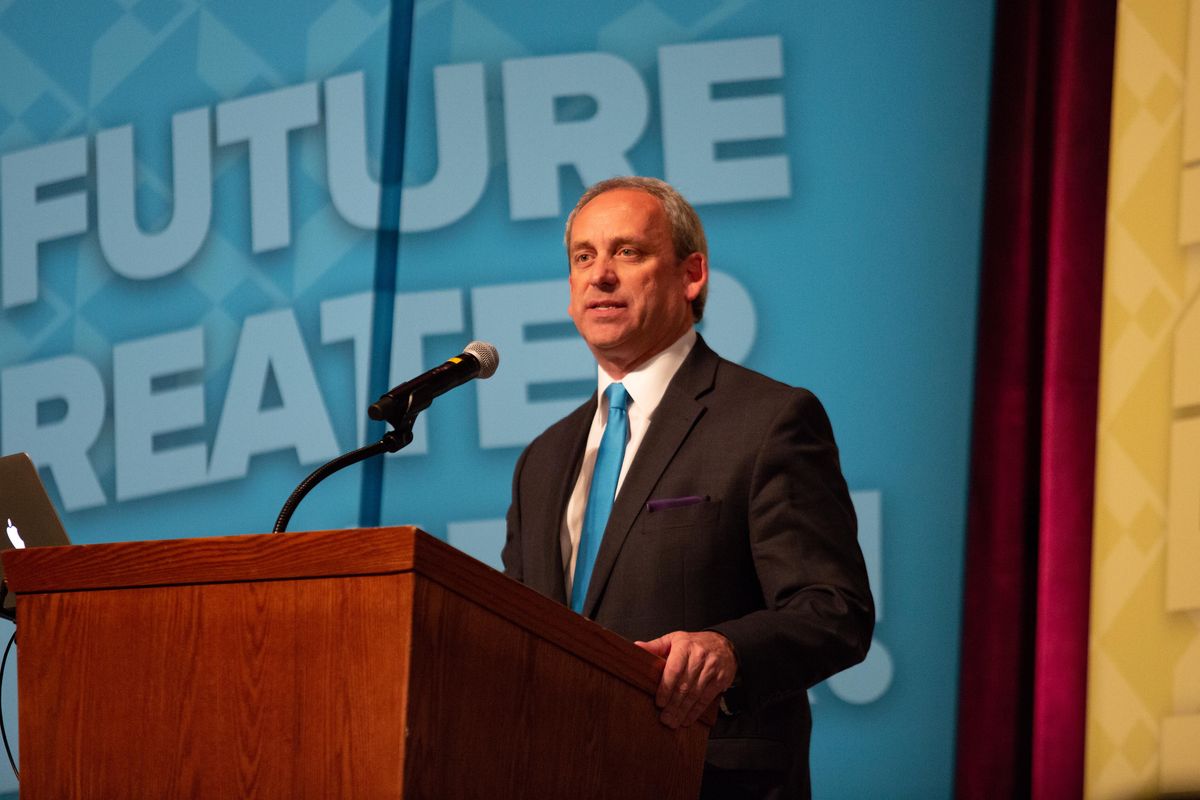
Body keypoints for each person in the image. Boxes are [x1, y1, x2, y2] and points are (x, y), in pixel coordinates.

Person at [502, 176, 873, 799]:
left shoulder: (767, 420)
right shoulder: (542, 459)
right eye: (583, 257)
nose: (600, 275)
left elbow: (834, 610)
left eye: (628, 252)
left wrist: (729, 649)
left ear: (691, 274)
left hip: (707, 775)